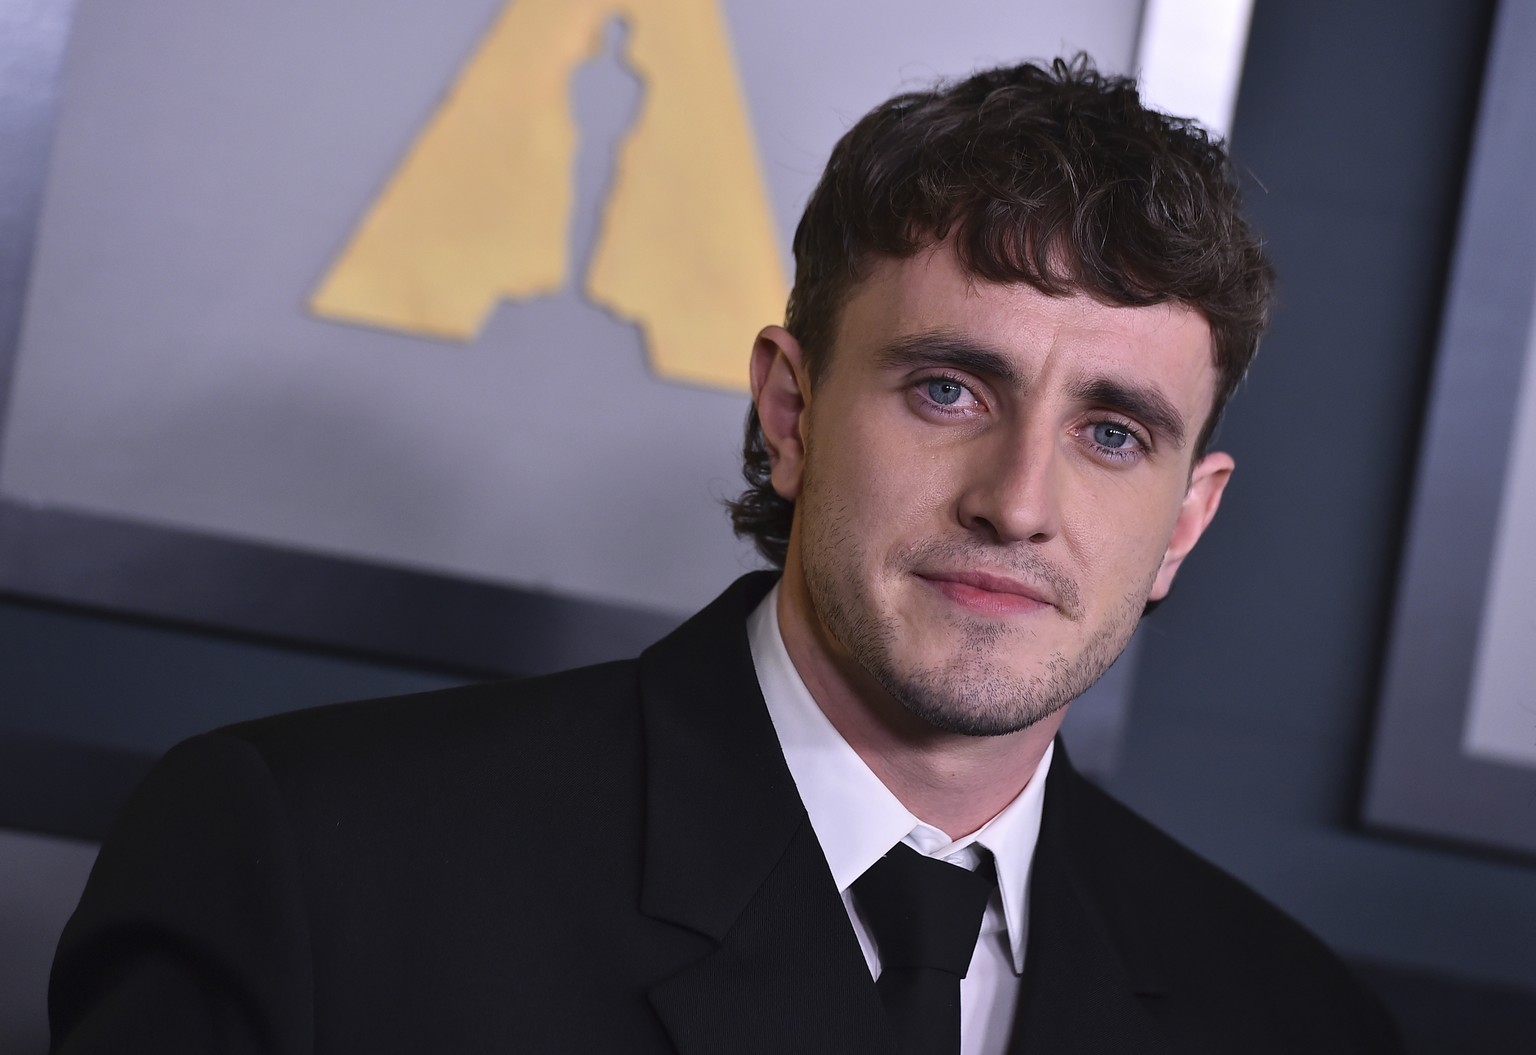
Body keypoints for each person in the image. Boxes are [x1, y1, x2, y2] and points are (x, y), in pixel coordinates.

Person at [49, 56, 1401, 1054]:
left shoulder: (1299, 1021)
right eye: (949, 392)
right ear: (791, 414)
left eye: (1113, 432)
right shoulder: (316, 871)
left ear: (1186, 521)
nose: (1018, 503)